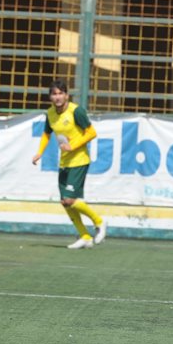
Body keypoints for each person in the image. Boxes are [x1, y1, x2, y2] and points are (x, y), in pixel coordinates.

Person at [32, 80, 106, 249]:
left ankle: (99, 222)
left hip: (79, 160)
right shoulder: (50, 113)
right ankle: (85, 236)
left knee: (70, 199)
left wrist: (73, 146)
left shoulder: (76, 111)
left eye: (60, 93)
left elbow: (92, 132)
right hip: (64, 161)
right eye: (54, 94)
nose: (57, 97)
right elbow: (46, 134)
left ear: (66, 95)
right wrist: (39, 153)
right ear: (50, 96)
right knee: (64, 202)